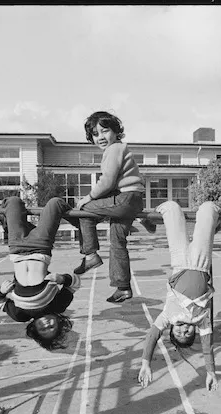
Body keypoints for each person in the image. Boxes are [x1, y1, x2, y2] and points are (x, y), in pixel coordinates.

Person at [137, 200, 221, 392]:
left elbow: (152, 336)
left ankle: (152, 222)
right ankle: (216, 223)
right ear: (195, 332)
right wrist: (211, 371)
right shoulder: (202, 321)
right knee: (209, 208)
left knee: (172, 208)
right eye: (188, 333)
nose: (184, 330)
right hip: (201, 263)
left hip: (180, 261)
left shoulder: (167, 316)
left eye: (179, 333)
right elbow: (207, 348)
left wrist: (146, 363)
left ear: (171, 330)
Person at [0, 196, 81, 351]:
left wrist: (1, 291)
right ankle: (82, 224)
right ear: (59, 322)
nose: (47, 325)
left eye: (43, 329)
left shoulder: (20, 315)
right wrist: (62, 279)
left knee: (13, 201)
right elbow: (75, 284)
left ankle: (5, 215)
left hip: (16, 247)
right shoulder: (58, 305)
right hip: (41, 246)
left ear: (34, 328)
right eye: (52, 327)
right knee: (55, 203)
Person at [73, 111, 146, 303]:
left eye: (104, 131)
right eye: (95, 134)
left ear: (115, 131)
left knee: (84, 210)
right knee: (117, 240)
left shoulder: (113, 149)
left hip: (125, 197)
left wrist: (88, 197)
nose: (101, 137)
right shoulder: (120, 149)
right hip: (133, 198)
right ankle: (123, 287)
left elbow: (107, 181)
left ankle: (90, 255)